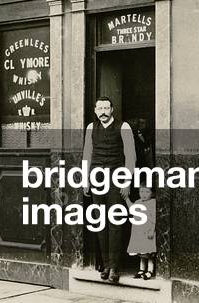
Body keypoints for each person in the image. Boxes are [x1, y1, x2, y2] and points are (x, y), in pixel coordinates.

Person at [82, 97, 136, 284]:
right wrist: (85, 180)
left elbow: (130, 156)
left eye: (106, 108)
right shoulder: (91, 128)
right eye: (100, 108)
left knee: (115, 223)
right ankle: (105, 265)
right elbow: (87, 154)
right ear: (95, 110)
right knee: (100, 222)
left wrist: (126, 181)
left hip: (116, 179)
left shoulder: (124, 127)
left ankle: (114, 267)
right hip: (97, 179)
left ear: (112, 110)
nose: (103, 111)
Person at [127, 186, 156, 279]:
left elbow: (155, 218)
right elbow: (131, 209)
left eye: (147, 192)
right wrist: (126, 198)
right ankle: (142, 270)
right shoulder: (138, 202)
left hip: (147, 232)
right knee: (141, 253)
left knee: (148, 253)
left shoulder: (153, 203)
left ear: (152, 193)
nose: (144, 194)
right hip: (139, 232)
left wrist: (152, 230)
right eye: (142, 191)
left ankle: (150, 271)